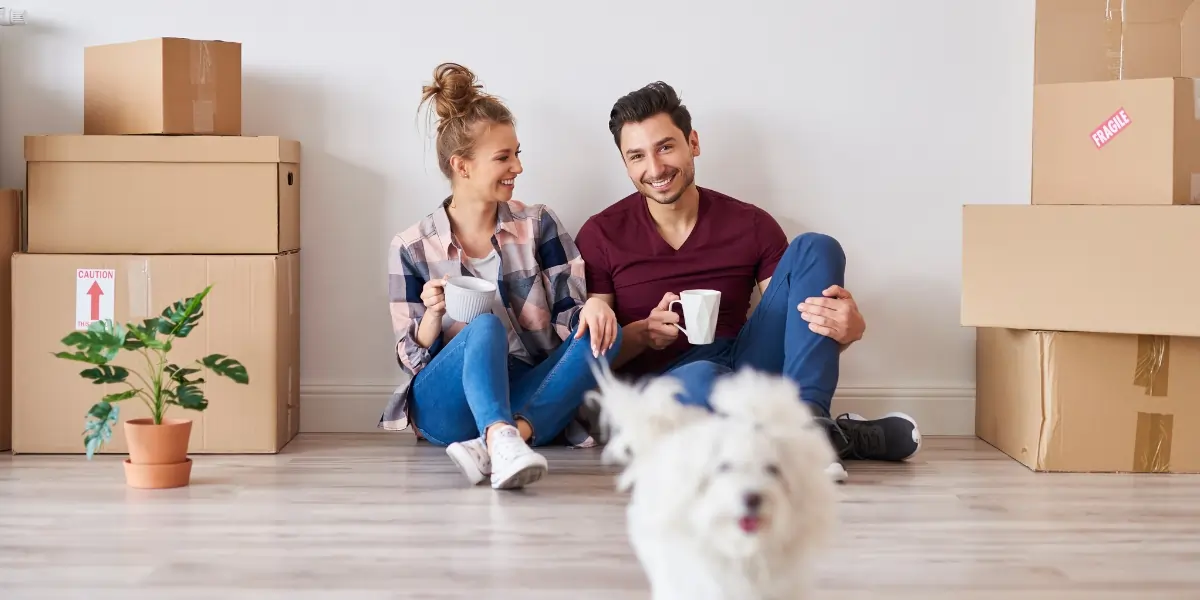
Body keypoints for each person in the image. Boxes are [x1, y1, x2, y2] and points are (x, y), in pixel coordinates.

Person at [573, 81, 921, 477]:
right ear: (625, 163)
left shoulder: (750, 224)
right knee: (703, 379)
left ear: (693, 143)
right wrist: (641, 333)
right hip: (665, 389)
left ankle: (809, 422)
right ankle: (829, 437)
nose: (654, 169)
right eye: (637, 156)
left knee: (816, 247)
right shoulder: (602, 234)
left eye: (666, 146)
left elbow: (796, 334)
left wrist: (846, 333)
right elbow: (593, 358)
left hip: (743, 364)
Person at [379, 63, 622, 490]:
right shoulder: (412, 246)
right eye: (504, 157)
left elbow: (571, 317)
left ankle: (499, 442)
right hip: (446, 404)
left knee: (606, 332)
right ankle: (504, 435)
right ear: (463, 166)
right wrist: (433, 319)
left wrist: (594, 312)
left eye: (518, 153)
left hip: (522, 388)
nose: (518, 167)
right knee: (484, 326)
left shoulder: (538, 224)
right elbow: (408, 359)